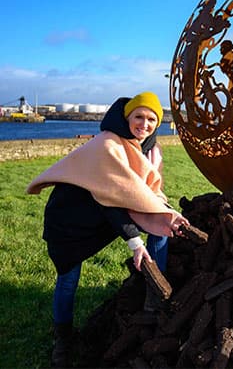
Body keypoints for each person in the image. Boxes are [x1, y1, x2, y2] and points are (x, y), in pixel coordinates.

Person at [27, 91, 190, 367]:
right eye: (139, 116)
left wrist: (168, 214)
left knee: (160, 226)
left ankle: (154, 295)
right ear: (127, 117)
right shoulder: (107, 145)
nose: (145, 124)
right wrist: (134, 243)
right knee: (68, 279)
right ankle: (63, 339)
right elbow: (109, 200)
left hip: (106, 216)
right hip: (70, 221)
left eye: (152, 119)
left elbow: (144, 193)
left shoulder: (149, 149)